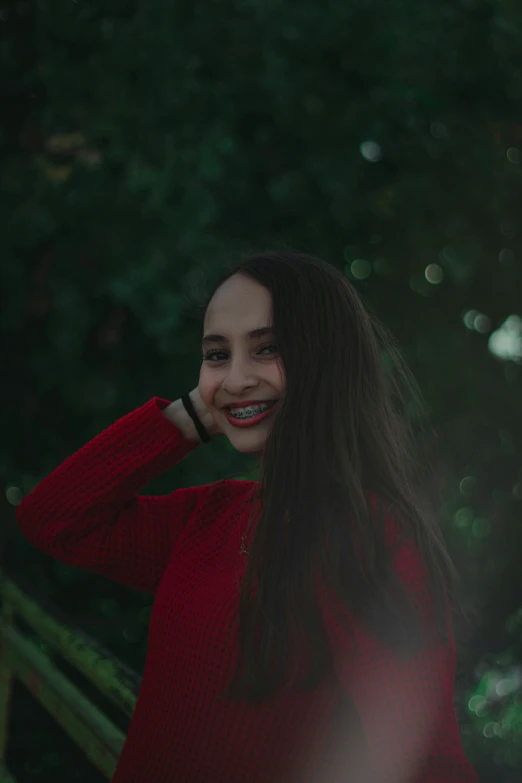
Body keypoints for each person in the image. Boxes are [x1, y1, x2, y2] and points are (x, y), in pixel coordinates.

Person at [16, 250, 478, 783]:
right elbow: (53, 519)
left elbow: (428, 762)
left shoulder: (372, 535)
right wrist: (190, 415)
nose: (235, 378)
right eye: (217, 354)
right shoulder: (210, 516)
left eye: (268, 349)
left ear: (326, 361)